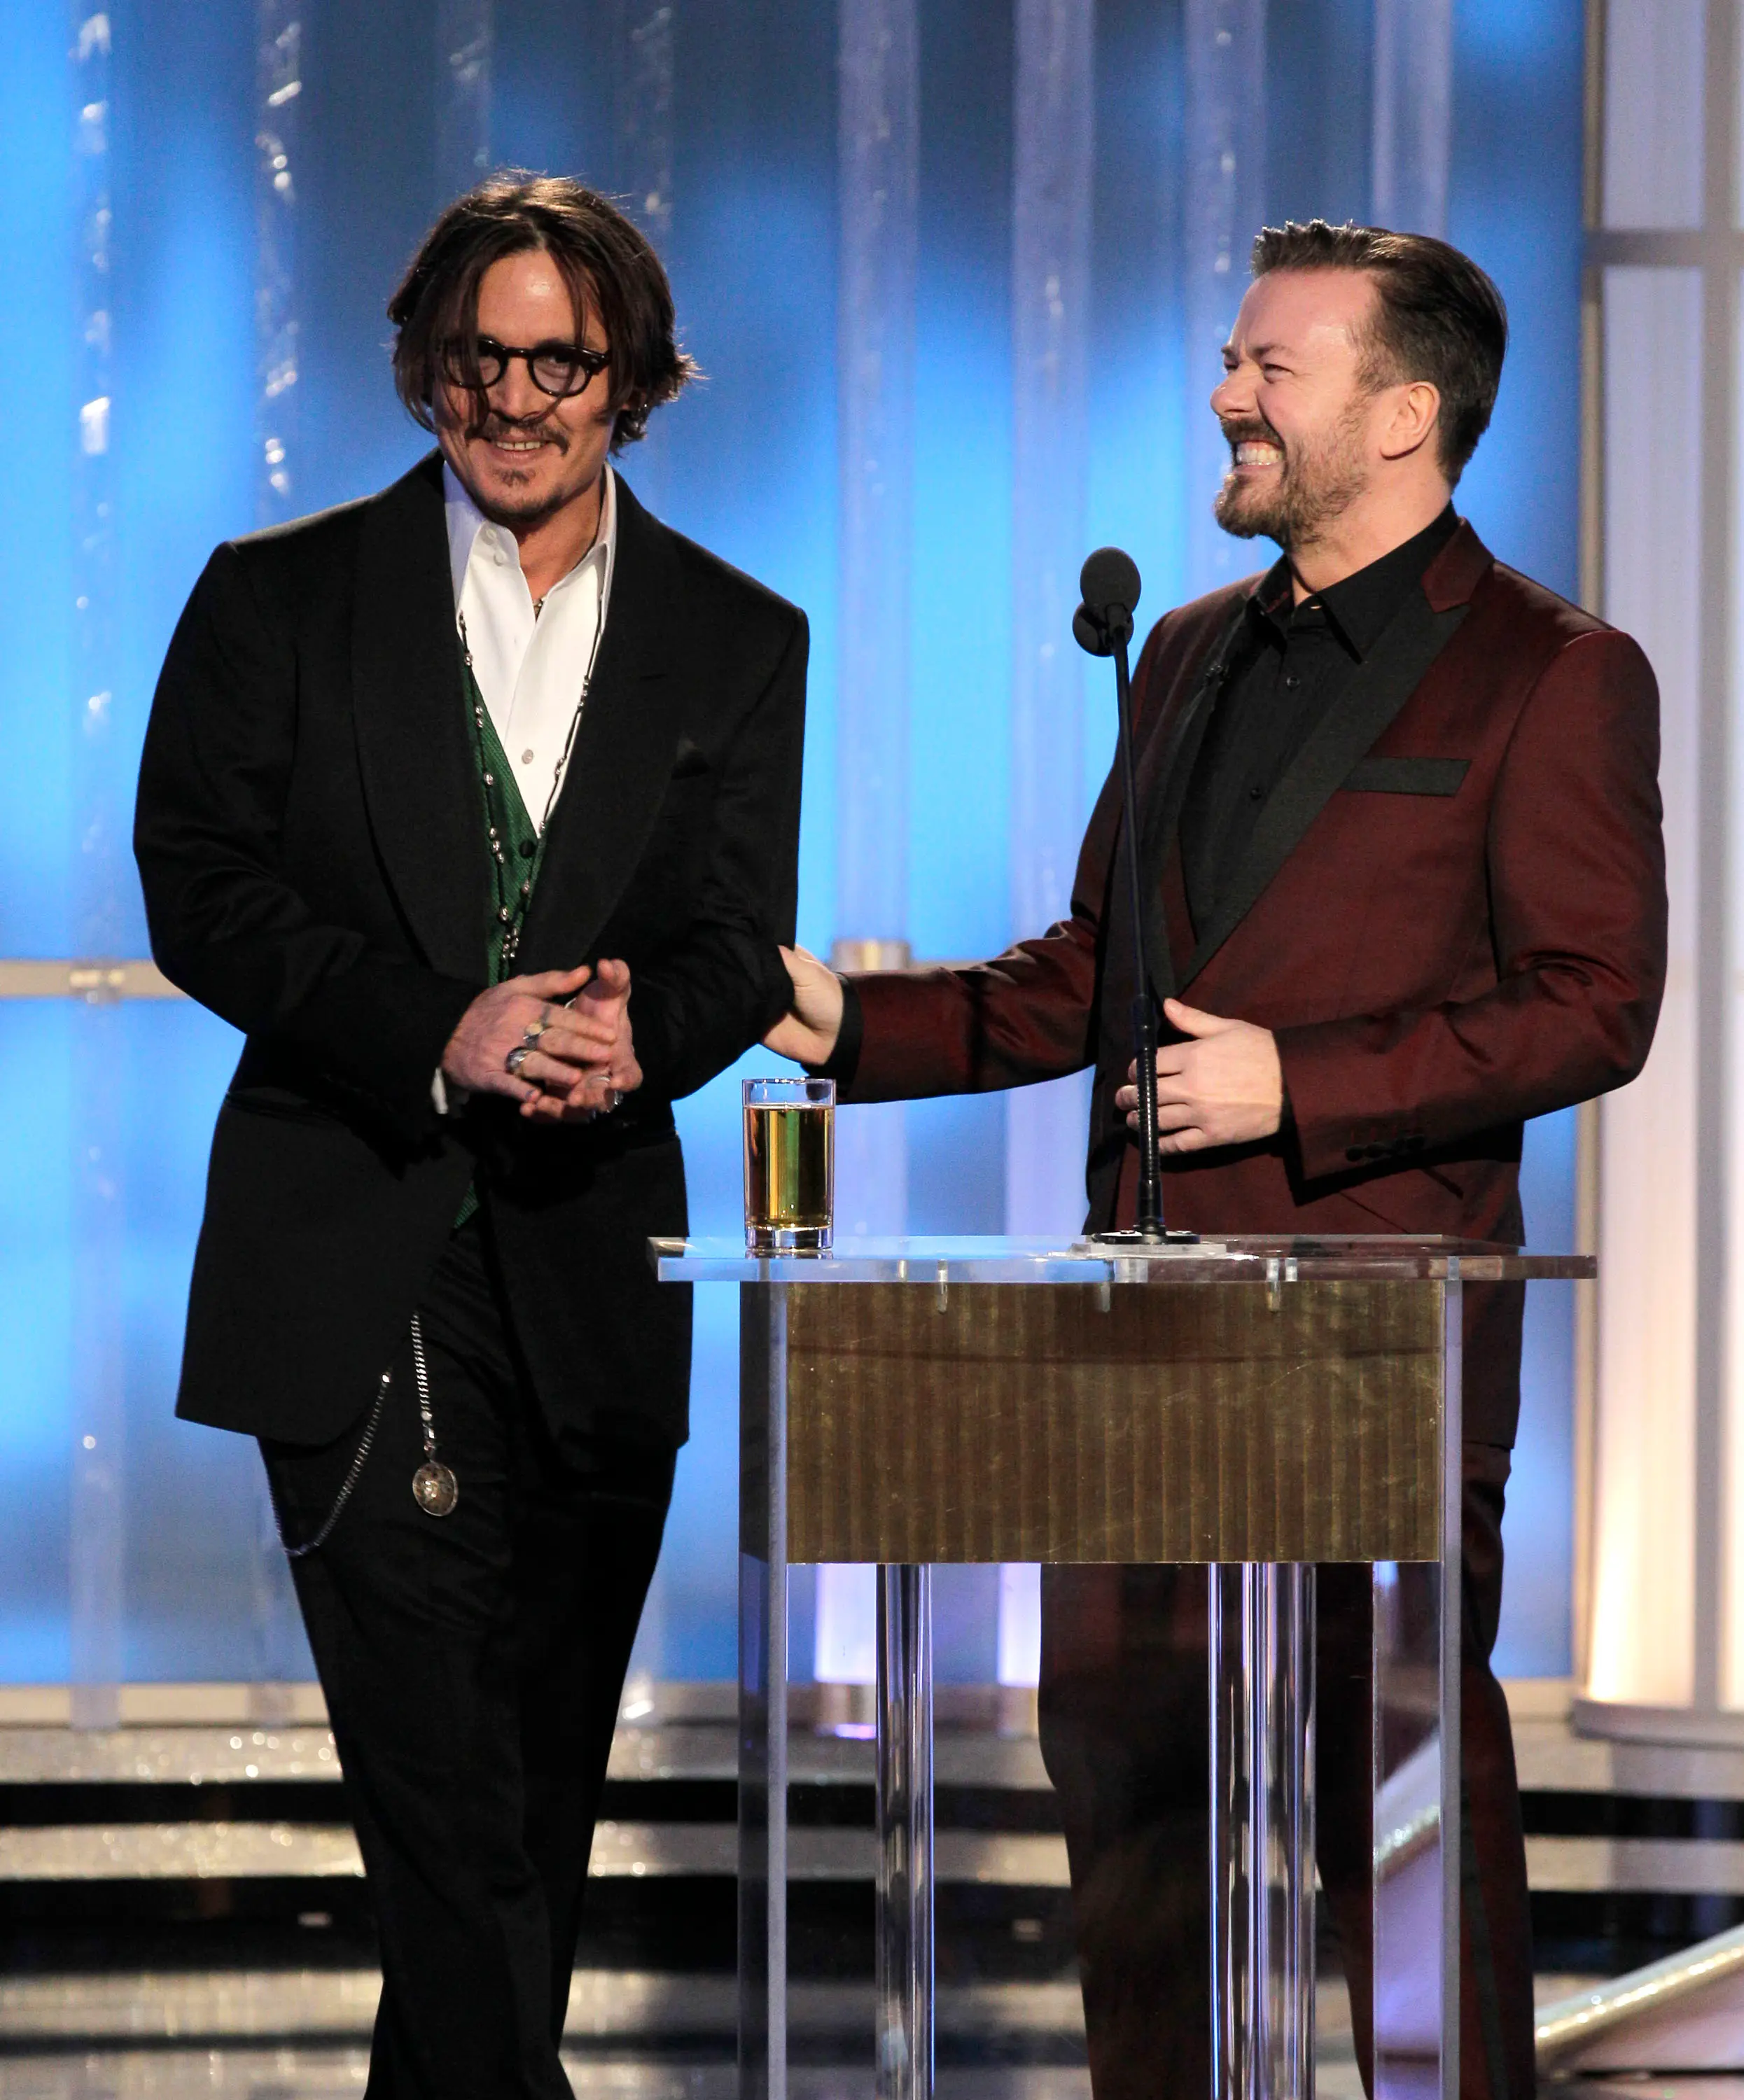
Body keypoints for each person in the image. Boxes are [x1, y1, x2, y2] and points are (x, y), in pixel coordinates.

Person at [767, 220, 1666, 2099]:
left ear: (1403, 413)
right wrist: (850, 1025)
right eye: (1231, 358)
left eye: (1272, 366)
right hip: (1140, 1329)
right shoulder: (1180, 651)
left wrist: (1298, 1086)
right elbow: (1090, 981)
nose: (1225, 393)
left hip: (1374, 1339)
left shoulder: (1552, 670)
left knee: (1399, 1802)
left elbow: (1593, 1008)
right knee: (1125, 1785)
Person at [136, 174, 807, 2098]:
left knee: (523, 1812)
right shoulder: (277, 598)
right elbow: (200, 888)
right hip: (354, 1254)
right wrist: (433, 1027)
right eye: (475, 360)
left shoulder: (740, 637)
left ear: (633, 379)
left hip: (595, 1272)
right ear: (426, 368)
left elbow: (734, 942)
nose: (513, 401)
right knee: (445, 1808)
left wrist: (636, 1043)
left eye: (558, 365)